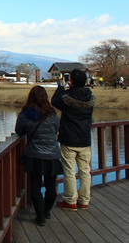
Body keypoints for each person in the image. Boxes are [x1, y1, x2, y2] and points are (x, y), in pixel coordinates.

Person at [15, 86, 63, 226]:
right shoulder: (52, 114)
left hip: (34, 155)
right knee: (51, 185)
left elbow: (19, 131)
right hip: (52, 154)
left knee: (35, 186)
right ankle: (47, 210)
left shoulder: (25, 114)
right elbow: (57, 129)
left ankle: (40, 215)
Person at [52, 69, 96, 211]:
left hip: (69, 139)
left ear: (70, 81)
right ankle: (84, 200)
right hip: (85, 139)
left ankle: (70, 200)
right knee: (85, 170)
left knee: (69, 171)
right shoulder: (90, 97)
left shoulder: (67, 97)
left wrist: (61, 87)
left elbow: (55, 101)